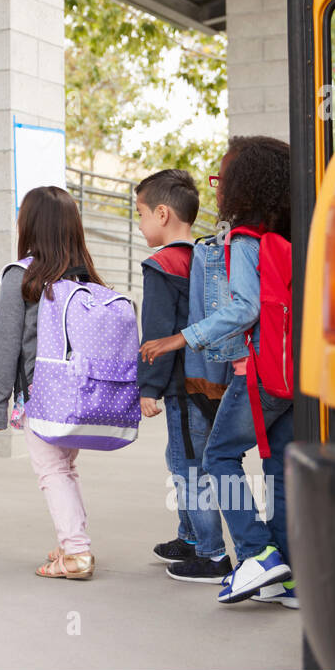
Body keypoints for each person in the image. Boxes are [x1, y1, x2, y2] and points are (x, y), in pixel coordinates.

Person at [141, 136, 295, 607]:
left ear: (243, 186)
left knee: (218, 458)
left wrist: (179, 338)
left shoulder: (246, 240)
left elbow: (245, 308)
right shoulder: (290, 238)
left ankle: (256, 553)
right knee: (278, 469)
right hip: (293, 374)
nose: (219, 188)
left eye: (223, 178)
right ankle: (289, 575)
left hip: (259, 372)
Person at [0, 185, 106, 580]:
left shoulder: (21, 276)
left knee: (51, 471)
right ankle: (72, 542)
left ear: (30, 226)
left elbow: (4, 346)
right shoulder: (87, 278)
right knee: (65, 469)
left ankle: (76, 553)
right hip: (82, 393)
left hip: (43, 394)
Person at [134, 170, 231, 584]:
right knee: (185, 460)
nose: (138, 224)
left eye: (139, 214)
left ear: (162, 213)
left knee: (190, 468)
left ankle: (211, 555)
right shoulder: (206, 258)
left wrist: (147, 388)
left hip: (180, 384)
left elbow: (155, 332)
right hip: (211, 379)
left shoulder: (161, 265)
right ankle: (189, 537)